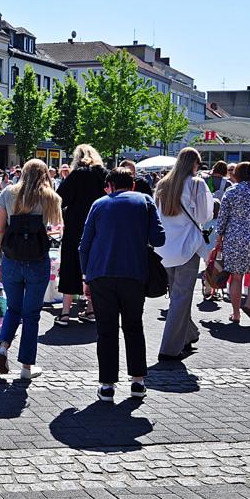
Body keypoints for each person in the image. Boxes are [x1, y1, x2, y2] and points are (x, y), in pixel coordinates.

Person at [80, 167, 165, 402]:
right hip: (133, 274)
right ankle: (137, 382)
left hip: (100, 274)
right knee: (133, 327)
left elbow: (84, 244)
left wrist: (86, 276)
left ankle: (107, 385)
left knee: (106, 330)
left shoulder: (98, 204)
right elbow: (159, 238)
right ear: (134, 185)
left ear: (110, 185)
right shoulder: (145, 201)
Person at [0, 159, 63, 380]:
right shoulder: (50, 196)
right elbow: (56, 228)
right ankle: (26, 368)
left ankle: (3, 347)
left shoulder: (8, 193)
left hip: (11, 259)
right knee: (32, 315)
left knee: (13, 308)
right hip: (37, 260)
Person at [153, 148, 214, 360]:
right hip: (188, 247)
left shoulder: (162, 184)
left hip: (165, 248)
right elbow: (204, 216)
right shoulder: (197, 184)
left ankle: (189, 334)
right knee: (181, 296)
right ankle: (169, 348)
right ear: (194, 164)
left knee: (176, 296)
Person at [214, 162, 250, 323]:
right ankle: (248, 303)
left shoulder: (231, 191)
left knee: (236, 277)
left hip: (233, 238)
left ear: (237, 174)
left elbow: (222, 218)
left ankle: (236, 314)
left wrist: (218, 239)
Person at [56, 144, 107, 325]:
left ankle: (64, 313)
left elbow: (60, 197)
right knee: (93, 268)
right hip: (99, 228)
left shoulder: (77, 174)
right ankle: (91, 310)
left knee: (70, 266)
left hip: (76, 226)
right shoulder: (104, 175)